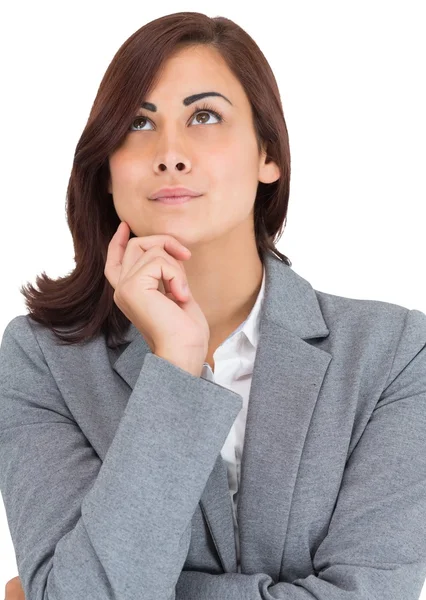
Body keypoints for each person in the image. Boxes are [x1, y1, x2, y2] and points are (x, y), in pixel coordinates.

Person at [1, 11, 426, 600]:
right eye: (137, 124)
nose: (170, 154)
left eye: (204, 116)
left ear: (267, 155)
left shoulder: (396, 354)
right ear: (105, 170)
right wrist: (175, 367)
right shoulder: (41, 359)